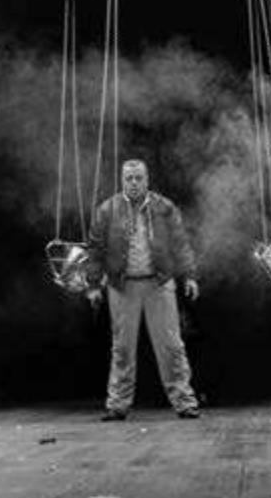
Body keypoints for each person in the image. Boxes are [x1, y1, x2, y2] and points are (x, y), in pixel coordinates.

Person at [83, 158, 200, 421]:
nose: (134, 183)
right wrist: (92, 285)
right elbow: (95, 249)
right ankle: (117, 405)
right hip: (122, 286)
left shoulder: (164, 207)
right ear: (122, 181)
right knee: (122, 348)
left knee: (171, 345)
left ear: (147, 180)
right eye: (129, 178)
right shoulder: (107, 210)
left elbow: (181, 242)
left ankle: (184, 402)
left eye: (139, 178)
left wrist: (189, 275)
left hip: (159, 283)